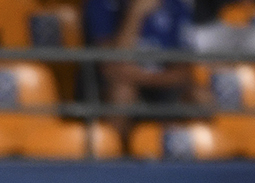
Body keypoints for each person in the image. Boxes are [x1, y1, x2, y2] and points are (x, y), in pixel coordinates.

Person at [84, 0, 212, 135]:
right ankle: (115, 153)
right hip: (116, 86)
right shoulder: (101, 4)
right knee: (122, 92)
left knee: (202, 97)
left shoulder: (176, 5)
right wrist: (135, 14)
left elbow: (185, 71)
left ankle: (208, 153)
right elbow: (111, 66)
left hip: (163, 84)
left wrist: (148, 79)